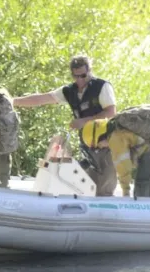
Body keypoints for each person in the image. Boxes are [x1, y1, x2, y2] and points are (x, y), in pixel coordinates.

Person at [12, 55, 117, 195]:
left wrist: (84, 121)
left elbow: (111, 112)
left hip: (105, 143)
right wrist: (13, 102)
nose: (79, 80)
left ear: (90, 71)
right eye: (75, 76)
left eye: (83, 76)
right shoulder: (69, 91)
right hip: (87, 145)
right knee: (89, 186)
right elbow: (43, 98)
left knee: (104, 187)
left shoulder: (102, 86)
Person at [81, 104, 150, 198]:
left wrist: (126, 192)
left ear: (99, 137)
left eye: (97, 146)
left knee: (142, 200)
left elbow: (123, 167)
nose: (101, 147)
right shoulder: (121, 127)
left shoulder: (115, 137)